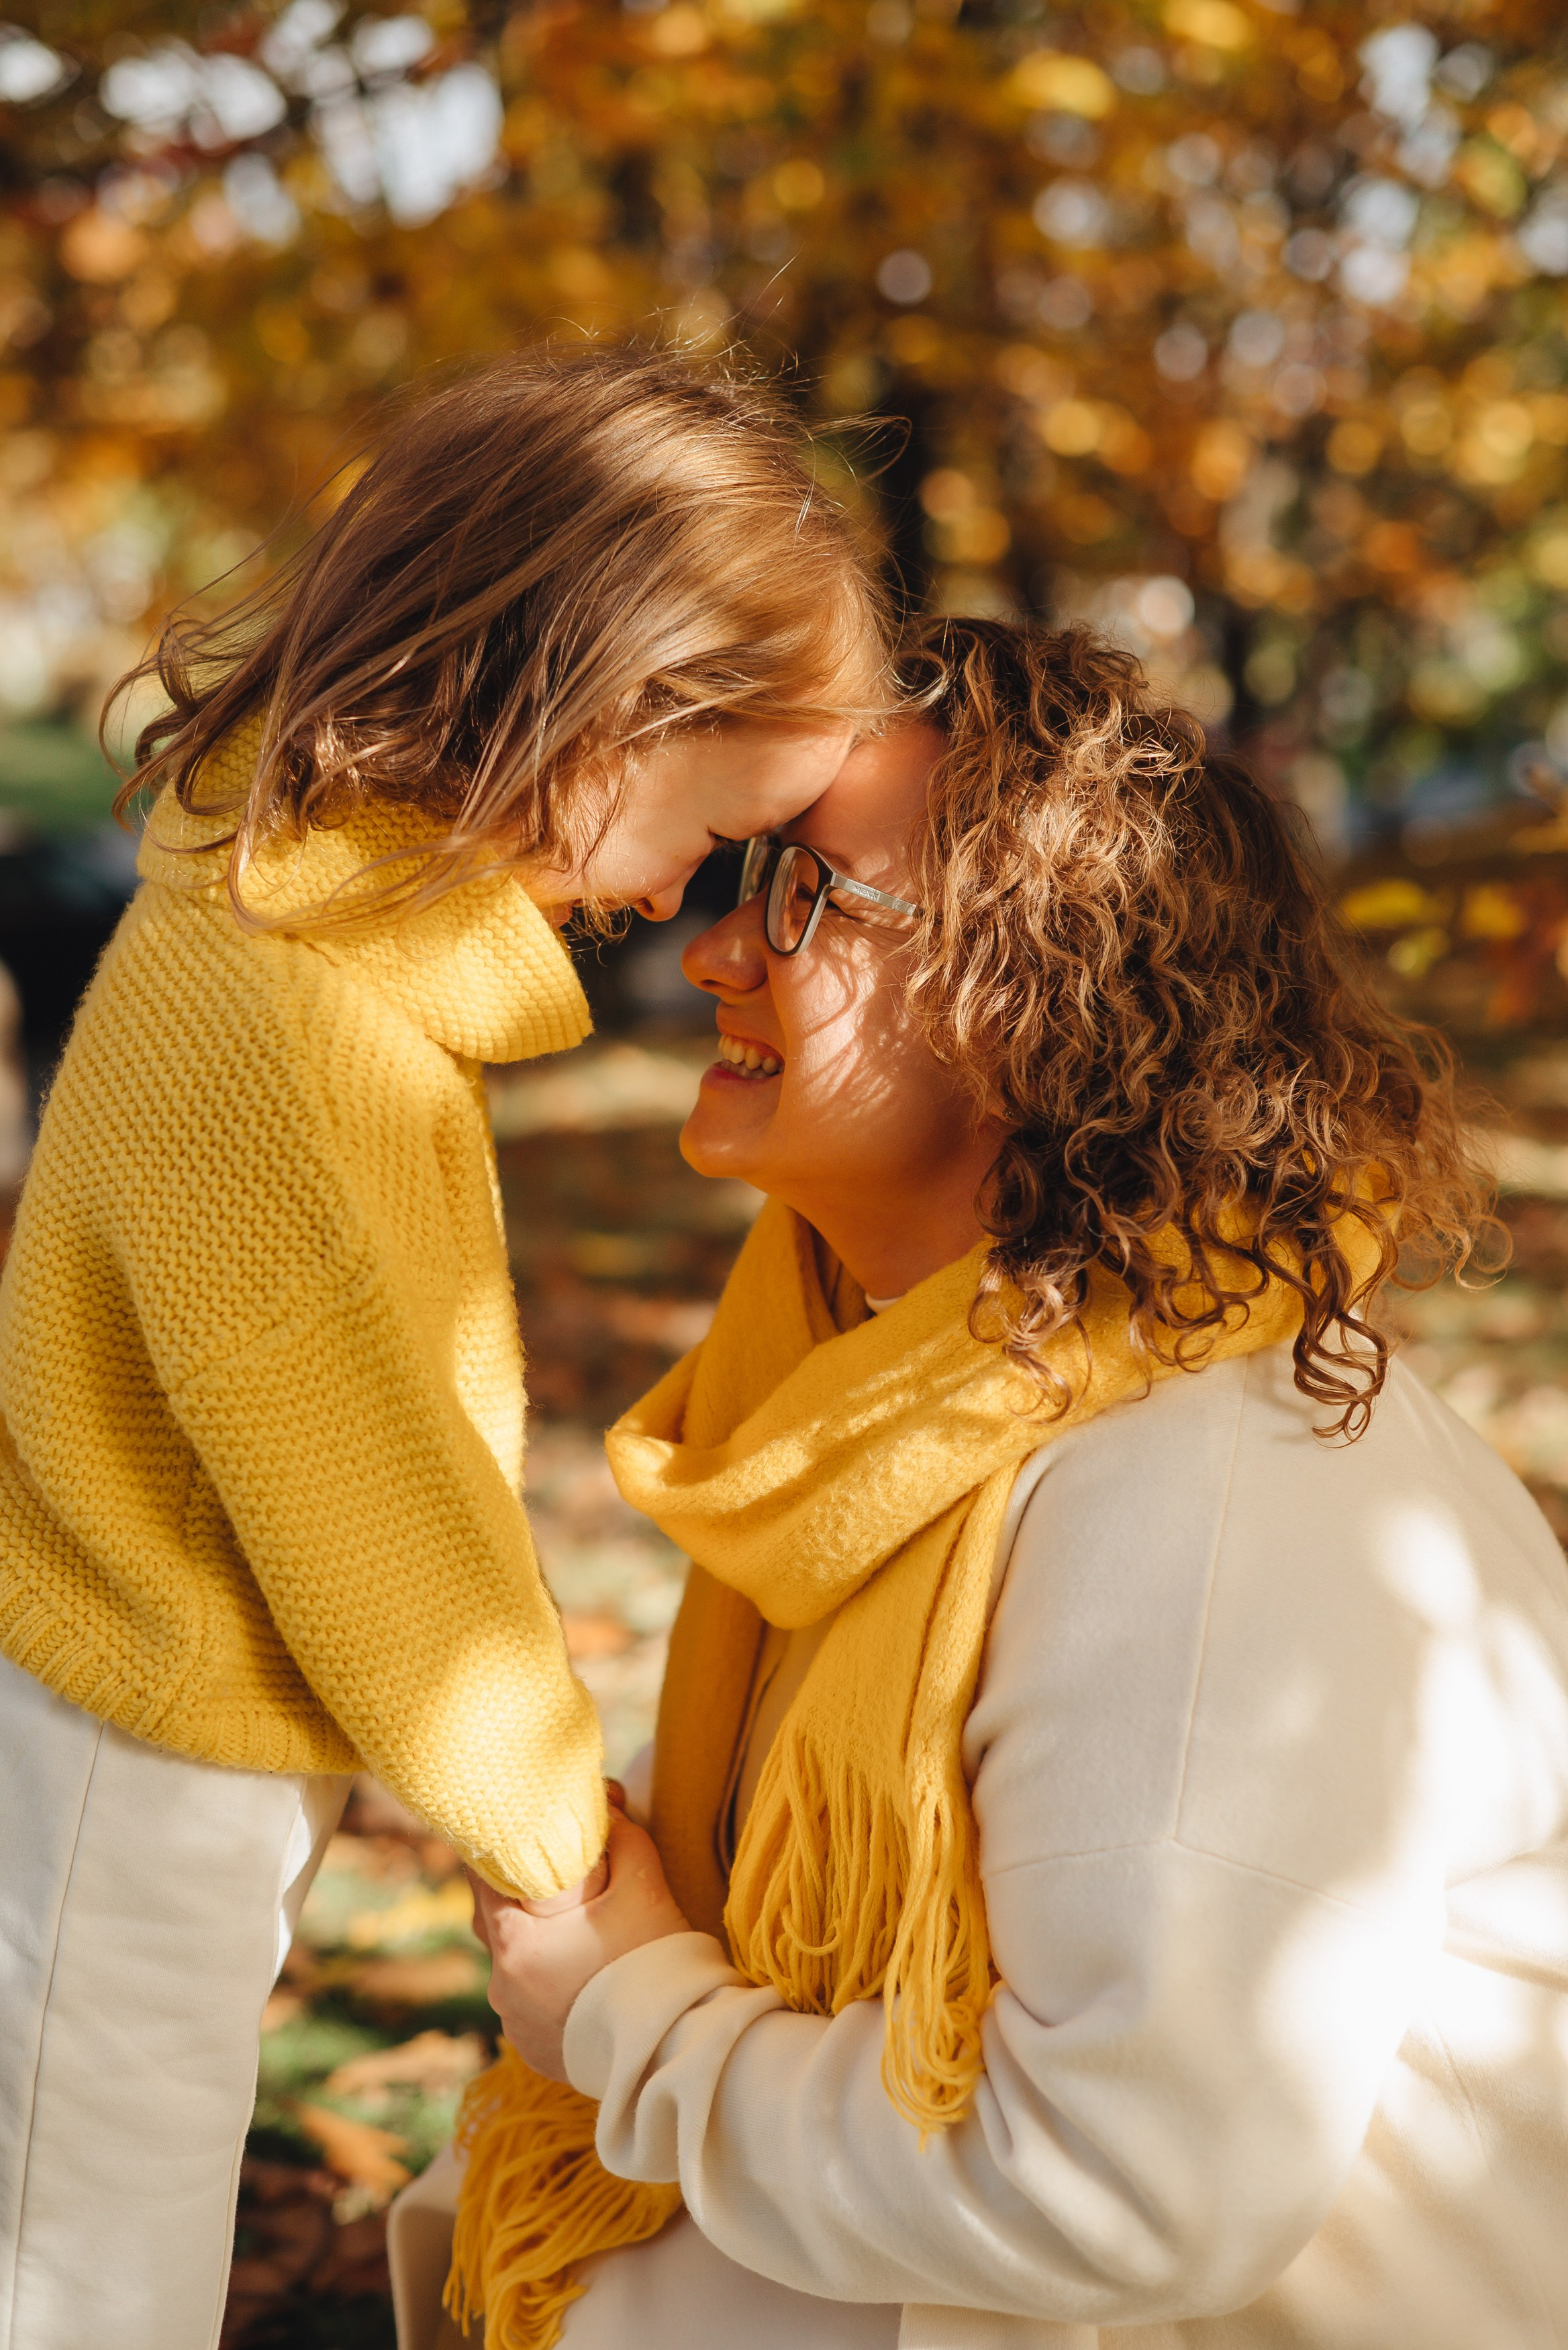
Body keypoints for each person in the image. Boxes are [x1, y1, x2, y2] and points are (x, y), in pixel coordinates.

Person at [397, 617, 1568, 2350]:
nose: (722, 947)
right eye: (747, 879)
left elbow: (1134, 2187)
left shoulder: (1203, 1499)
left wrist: (639, 2023)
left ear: (1040, 998)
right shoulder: (887, 1382)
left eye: (812, 896)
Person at [0, 345, 893, 2350]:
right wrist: (564, 1845)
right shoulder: (286, 1040)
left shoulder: (328, 957)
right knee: (77, 2253)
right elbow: (385, 1537)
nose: (691, 898)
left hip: (165, 1724)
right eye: (718, 826)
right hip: (120, 1751)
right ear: (598, 709)